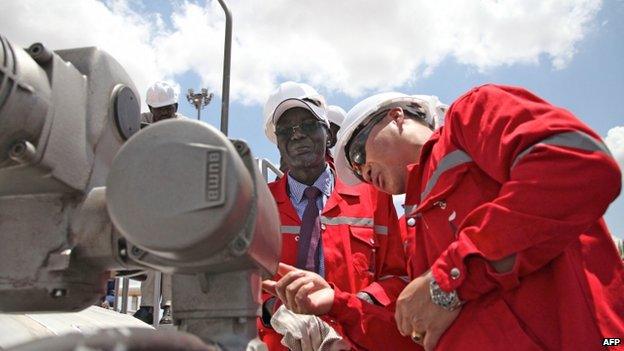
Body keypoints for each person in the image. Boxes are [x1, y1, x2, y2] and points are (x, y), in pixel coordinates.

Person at [331, 84, 624, 350]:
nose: (363, 172)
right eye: (358, 173)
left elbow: (574, 165)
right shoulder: (410, 230)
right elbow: (416, 332)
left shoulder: (468, 119)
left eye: (358, 154)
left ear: (395, 116)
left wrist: (445, 281)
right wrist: (336, 305)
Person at [259, 81, 415, 350]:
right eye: (286, 130)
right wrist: (276, 311)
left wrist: (352, 305)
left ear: (329, 135)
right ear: (279, 143)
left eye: (308, 125)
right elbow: (242, 282)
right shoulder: (259, 204)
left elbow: (398, 276)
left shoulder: (374, 196)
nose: (297, 136)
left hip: (355, 341)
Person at [132, 80, 189, 325]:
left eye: (167, 110)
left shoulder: (187, 128)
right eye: (157, 111)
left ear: (175, 106)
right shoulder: (138, 122)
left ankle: (170, 306)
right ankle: (146, 306)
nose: (162, 115)